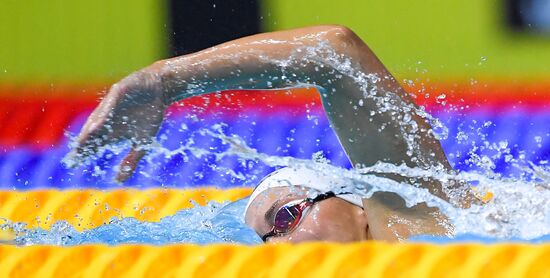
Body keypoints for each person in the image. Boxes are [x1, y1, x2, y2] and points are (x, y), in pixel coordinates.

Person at [67, 25, 476, 242]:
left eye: (285, 217)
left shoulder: (412, 222)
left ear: (358, 203)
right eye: (267, 239)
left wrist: (167, 80)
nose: (278, 249)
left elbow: (334, 53)